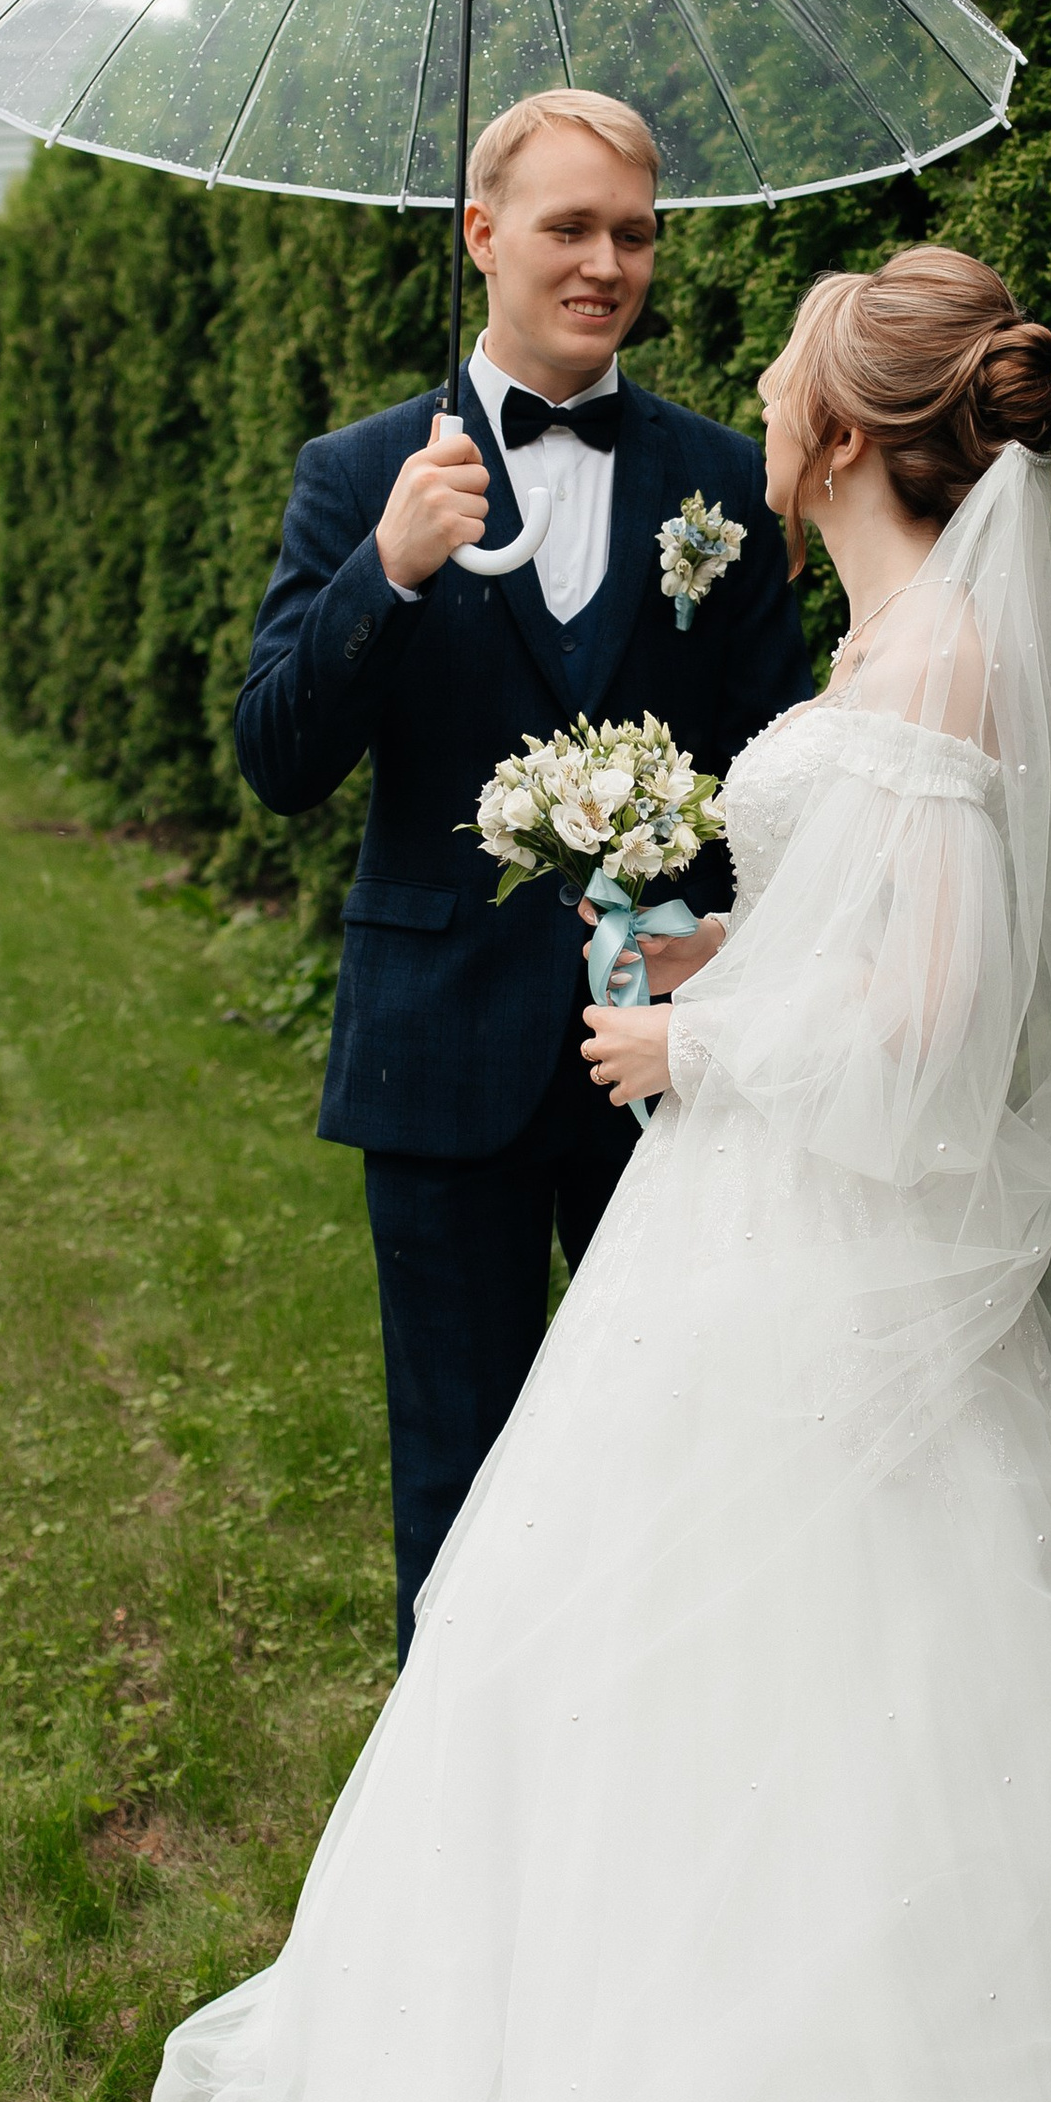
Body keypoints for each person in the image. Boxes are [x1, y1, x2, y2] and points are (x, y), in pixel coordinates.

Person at [158, 243, 1051, 2102]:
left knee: (773, 1648)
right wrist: (725, 937)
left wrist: (686, 1039)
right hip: (760, 1222)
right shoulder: (907, 644)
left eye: (797, 372)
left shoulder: (926, 672)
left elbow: (914, 1037)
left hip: (792, 1226)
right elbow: (884, 939)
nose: (763, 395)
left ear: (846, 430)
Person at [231, 86, 811, 1660]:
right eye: (569, 228)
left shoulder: (724, 485)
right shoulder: (363, 478)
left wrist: (712, 951)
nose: (606, 263)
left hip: (664, 1063)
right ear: (484, 237)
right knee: (460, 1467)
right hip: (439, 1050)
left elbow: (779, 775)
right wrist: (392, 572)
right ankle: (460, 1835)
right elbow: (276, 758)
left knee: (676, 1453)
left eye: (633, 233)